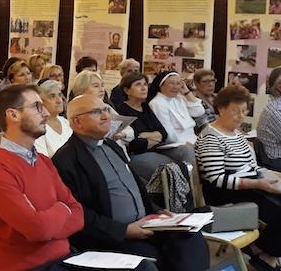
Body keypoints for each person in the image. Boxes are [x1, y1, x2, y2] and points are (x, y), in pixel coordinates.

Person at [52, 95, 209, 271]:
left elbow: (136, 189)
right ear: (77, 122)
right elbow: (78, 213)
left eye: (106, 109)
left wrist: (157, 212)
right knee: (153, 260)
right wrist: (124, 230)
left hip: (146, 225)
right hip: (112, 236)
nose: (106, 116)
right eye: (97, 112)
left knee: (191, 238)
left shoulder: (112, 146)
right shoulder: (65, 160)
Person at [0, 84, 88, 271]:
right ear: (13, 115)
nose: (45, 113)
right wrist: (62, 209)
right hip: (29, 266)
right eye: (37, 106)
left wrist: (49, 221)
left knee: (144, 267)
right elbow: (36, 229)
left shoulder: (43, 161)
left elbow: (78, 214)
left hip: (64, 258)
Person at [196, 85, 281, 271]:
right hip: (227, 193)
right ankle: (265, 258)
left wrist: (279, 175)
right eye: (236, 111)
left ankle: (262, 254)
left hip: (251, 184)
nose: (241, 116)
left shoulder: (237, 134)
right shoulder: (210, 137)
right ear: (221, 109)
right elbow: (217, 179)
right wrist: (259, 184)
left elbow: (252, 167)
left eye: (244, 111)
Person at [116, 72, 194, 182]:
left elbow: (163, 133)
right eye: (138, 84)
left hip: (154, 150)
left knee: (183, 160)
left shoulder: (145, 107)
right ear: (127, 90)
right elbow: (136, 144)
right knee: (171, 169)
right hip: (136, 155)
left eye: (145, 84)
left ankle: (191, 192)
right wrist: (153, 137)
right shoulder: (121, 111)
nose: (144, 88)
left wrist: (146, 136)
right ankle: (186, 194)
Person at [147, 71, 204, 146]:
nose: (175, 87)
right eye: (171, 83)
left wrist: (187, 92)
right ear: (161, 85)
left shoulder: (179, 99)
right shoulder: (157, 103)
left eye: (178, 83)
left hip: (193, 140)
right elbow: (167, 132)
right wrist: (186, 144)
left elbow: (199, 112)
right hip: (175, 144)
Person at [35, 79, 72, 157]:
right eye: (52, 96)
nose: (59, 101)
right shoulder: (37, 128)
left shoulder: (67, 123)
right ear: (41, 101)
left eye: (59, 95)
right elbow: (43, 161)